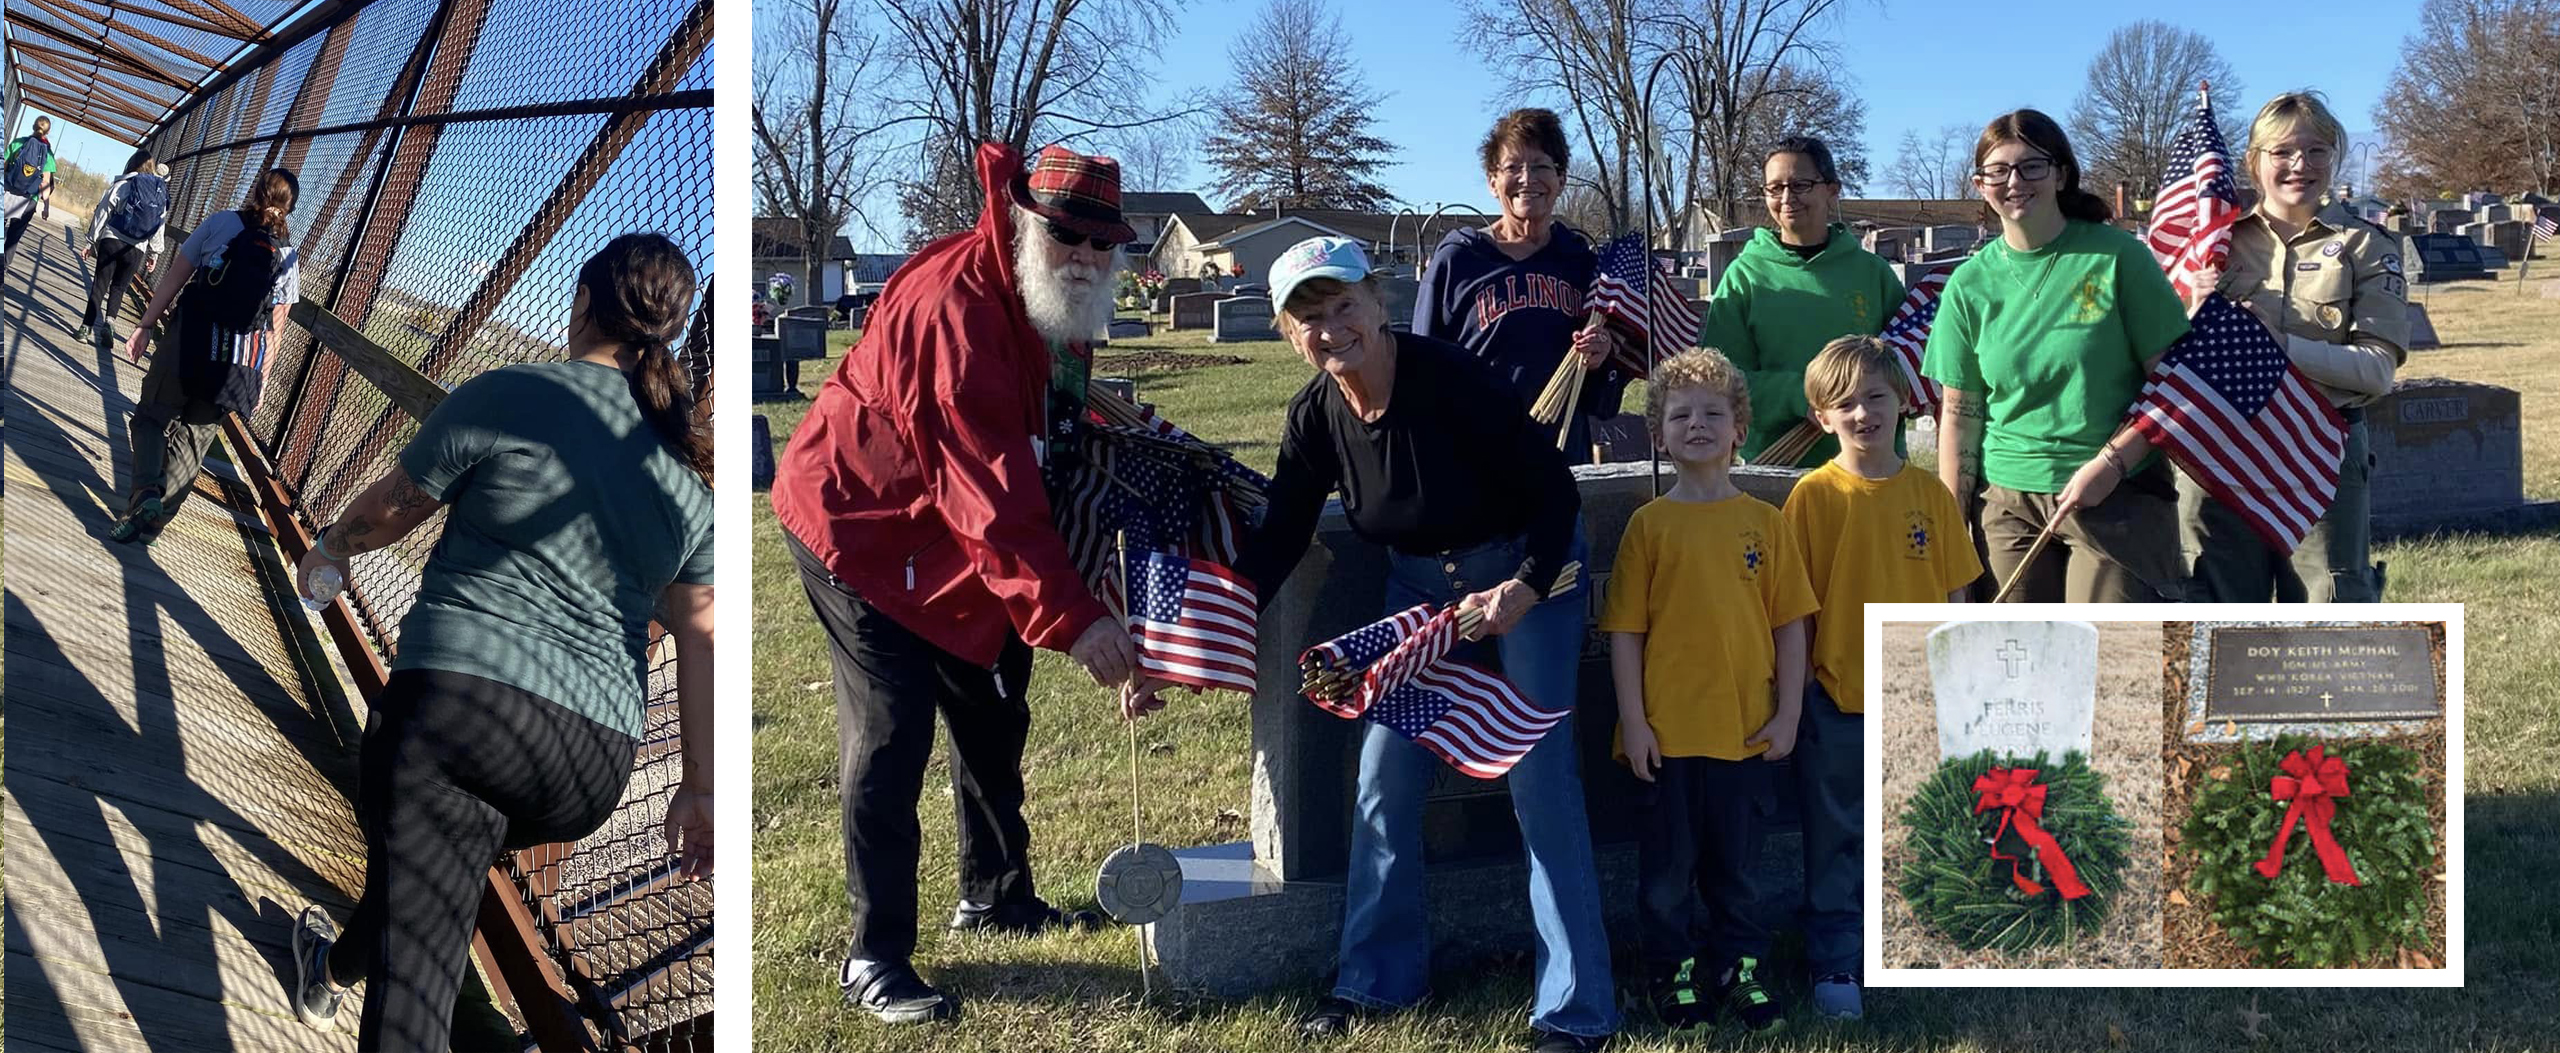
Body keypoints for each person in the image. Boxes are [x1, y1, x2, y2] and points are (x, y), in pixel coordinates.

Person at [283, 232, 716, 1052]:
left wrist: (333, 547)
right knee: (432, 860)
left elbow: (393, 507)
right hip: (586, 762)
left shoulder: (514, 392)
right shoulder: (687, 471)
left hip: (455, 709)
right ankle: (333, 964)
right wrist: (699, 784)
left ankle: (357, 986)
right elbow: (700, 637)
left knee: (414, 983)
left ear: (584, 300)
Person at [769, 141, 1151, 1025]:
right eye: (1069, 237)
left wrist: (1106, 573)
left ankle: (996, 893)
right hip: (861, 526)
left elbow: (1043, 446)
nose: (1087, 258)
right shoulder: (959, 309)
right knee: (892, 728)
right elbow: (987, 489)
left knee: (991, 700)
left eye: (1103, 243)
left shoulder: (1053, 305)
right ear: (1025, 222)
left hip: (946, 534)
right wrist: (1073, 617)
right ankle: (874, 955)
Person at [1239, 237, 1616, 1053]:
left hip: (1529, 571)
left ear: (1379, 303)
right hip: (1421, 595)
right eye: (1309, 317)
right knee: (1384, 773)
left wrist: (1521, 585)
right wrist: (1200, 629)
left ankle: (1576, 1009)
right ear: (1288, 333)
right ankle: (1377, 979)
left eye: (1345, 306)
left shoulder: (1449, 377)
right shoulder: (1315, 415)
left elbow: (1552, 491)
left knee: (1541, 780)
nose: (1332, 328)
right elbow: (1279, 537)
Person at [1600, 348, 1816, 1035]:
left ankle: (1740, 968)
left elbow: (1789, 625)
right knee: (1667, 874)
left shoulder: (1765, 521)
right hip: (1666, 737)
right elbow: (1626, 633)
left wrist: (1788, 714)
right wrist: (1634, 723)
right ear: (1659, 432)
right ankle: (1673, 973)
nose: (1697, 424)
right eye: (1681, 414)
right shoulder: (1649, 526)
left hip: (1746, 734)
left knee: (1739, 871)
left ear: (1738, 428)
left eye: (1713, 413)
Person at [1777, 335, 1982, 1020]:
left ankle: (1911, 942)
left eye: (1875, 397)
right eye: (1845, 403)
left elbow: (1956, 595)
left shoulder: (1931, 493)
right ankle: (1836, 955)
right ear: (1821, 414)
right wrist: (1799, 692)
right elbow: (1795, 607)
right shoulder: (1810, 496)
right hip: (1837, 697)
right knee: (1835, 834)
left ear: (1903, 402)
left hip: (1918, 699)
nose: (1863, 413)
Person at [1921, 109, 2191, 603]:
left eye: (2031, 166)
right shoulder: (1968, 285)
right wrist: (1951, 528)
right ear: (1980, 185)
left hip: (2116, 493)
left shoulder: (2117, 259)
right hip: (2006, 501)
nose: (2014, 182)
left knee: (2111, 657)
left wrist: (2110, 464)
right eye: (1997, 171)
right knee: (2017, 662)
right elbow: (1960, 416)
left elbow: (2174, 390)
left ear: (2061, 173)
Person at [2181, 90, 2409, 602]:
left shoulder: (2366, 247)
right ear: (2253, 161)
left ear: (2335, 157)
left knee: (2326, 611)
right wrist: (2191, 310)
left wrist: (2279, 344)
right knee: (2216, 609)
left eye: (2317, 150)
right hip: (2223, 449)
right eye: (2281, 152)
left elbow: (2375, 371)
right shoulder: (2216, 243)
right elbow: (2170, 359)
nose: (2299, 164)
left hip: (2319, 449)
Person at [1414, 108, 1623, 459]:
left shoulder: (1581, 263)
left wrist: (1602, 358)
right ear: (1492, 181)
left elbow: (1601, 400)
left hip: (1561, 457)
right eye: (1512, 167)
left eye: (1541, 166)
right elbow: (1420, 370)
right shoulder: (1458, 260)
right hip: (1477, 459)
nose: (1527, 179)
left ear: (1561, 179)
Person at [114, 168, 302, 544]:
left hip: (188, 340)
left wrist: (146, 324)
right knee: (196, 436)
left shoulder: (220, 224)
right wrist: (260, 378)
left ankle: (147, 491)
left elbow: (175, 277)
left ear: (255, 192)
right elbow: (274, 329)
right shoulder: (286, 256)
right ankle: (154, 521)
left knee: (152, 414)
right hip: (235, 359)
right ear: (289, 208)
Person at [1699, 136, 1906, 467]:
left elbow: (1905, 361)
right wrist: (1801, 396)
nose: (1786, 198)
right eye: (1774, 188)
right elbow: (1723, 377)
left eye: (1800, 185)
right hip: (1779, 463)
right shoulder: (1745, 277)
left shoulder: (1872, 274)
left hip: (1872, 465)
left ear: (1832, 190)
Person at [78, 147, 169, 346]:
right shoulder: (158, 192)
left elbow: (104, 211)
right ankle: (109, 325)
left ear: (132, 164)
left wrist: (91, 241)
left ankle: (86, 328)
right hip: (137, 249)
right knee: (119, 287)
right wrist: (154, 253)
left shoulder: (124, 184)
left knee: (100, 285)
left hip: (112, 239)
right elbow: (159, 225)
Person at [4, 115, 59, 254]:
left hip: (8, 191)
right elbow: (45, 183)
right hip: (29, 199)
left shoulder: (18, 143)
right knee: (13, 238)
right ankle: (3, 266)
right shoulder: (48, 154)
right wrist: (46, 207)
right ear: (48, 132)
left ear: (33, 126)